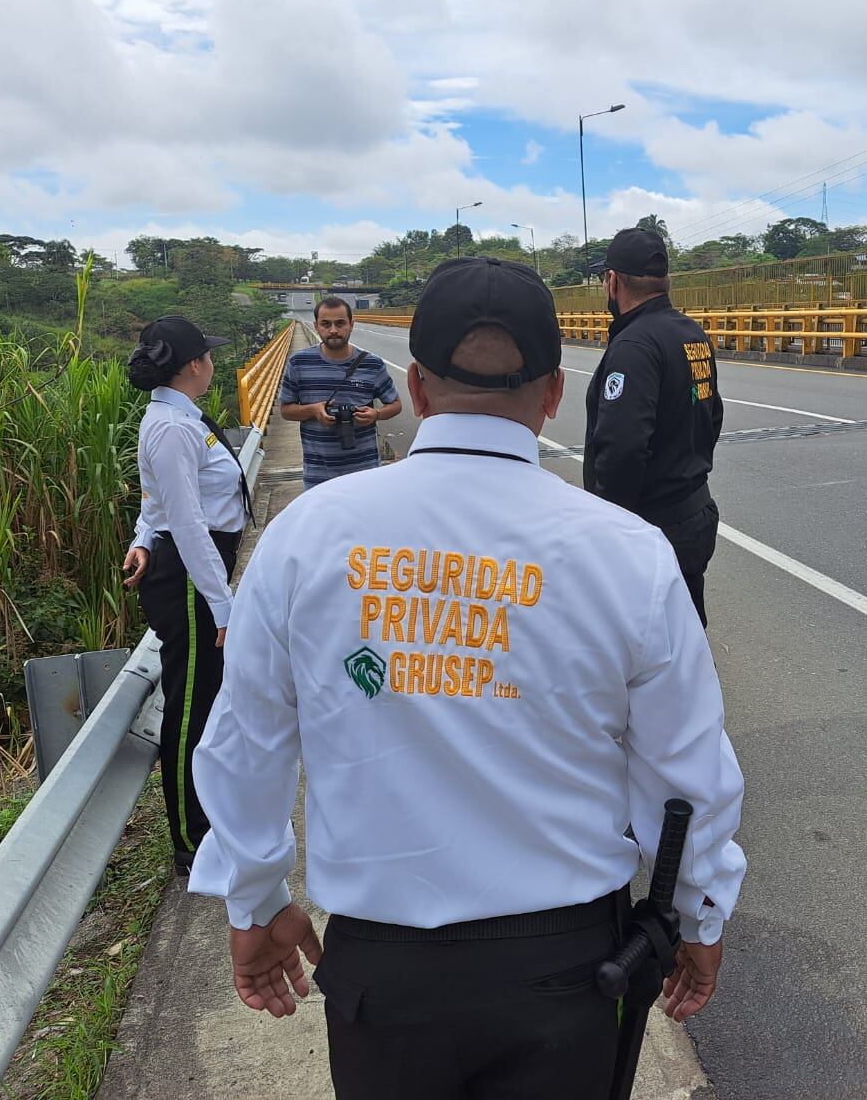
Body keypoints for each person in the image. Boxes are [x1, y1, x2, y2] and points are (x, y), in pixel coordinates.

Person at [188, 256, 746, 1100]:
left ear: (413, 385)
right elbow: (686, 769)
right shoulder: (627, 552)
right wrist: (702, 912)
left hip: (384, 974)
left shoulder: (310, 535)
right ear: (555, 393)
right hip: (569, 971)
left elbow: (245, 742)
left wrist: (256, 899)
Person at [120, 316, 251, 876]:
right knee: (191, 709)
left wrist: (141, 538)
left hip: (191, 568)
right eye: (209, 356)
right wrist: (222, 606)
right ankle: (189, 839)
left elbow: (158, 504)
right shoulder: (174, 427)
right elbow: (189, 522)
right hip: (194, 581)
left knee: (205, 700)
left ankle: (207, 818)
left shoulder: (178, 418)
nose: (213, 363)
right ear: (195, 364)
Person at [584, 228, 725, 625]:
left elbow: (622, 449)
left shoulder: (634, 346)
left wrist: (614, 531)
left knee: (644, 651)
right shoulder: (692, 334)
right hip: (695, 513)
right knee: (687, 635)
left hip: (650, 527)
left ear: (612, 282)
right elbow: (712, 414)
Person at [278, 295, 402, 488]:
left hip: (366, 473)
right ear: (316, 326)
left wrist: (376, 414)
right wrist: (314, 411)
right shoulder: (299, 362)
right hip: (318, 474)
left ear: (352, 325)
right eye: (326, 324)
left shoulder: (372, 364)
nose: (333, 330)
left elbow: (395, 405)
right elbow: (285, 410)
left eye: (340, 323)